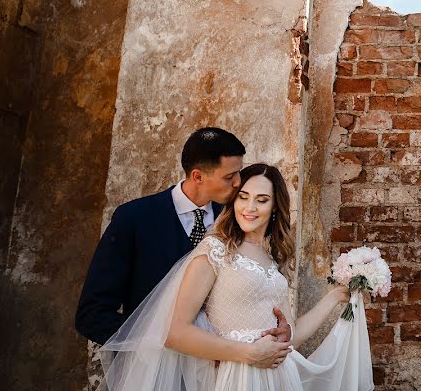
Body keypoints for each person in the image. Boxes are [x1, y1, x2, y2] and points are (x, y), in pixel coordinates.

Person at [100, 163, 373, 390]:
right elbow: (174, 331)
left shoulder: (273, 258)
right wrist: (248, 353)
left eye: (262, 200)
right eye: (243, 197)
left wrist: (335, 296)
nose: (250, 207)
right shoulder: (215, 249)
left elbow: (291, 337)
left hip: (278, 377)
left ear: (275, 206)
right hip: (237, 376)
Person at [76, 127, 289, 366]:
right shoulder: (134, 219)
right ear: (198, 176)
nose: (239, 183)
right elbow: (91, 315)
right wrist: (162, 342)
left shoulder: (236, 219)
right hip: (151, 371)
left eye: (239, 173)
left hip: (220, 375)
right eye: (230, 177)